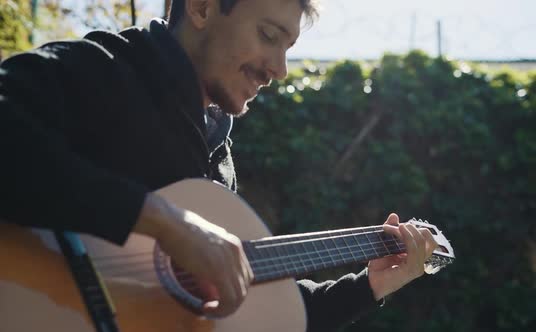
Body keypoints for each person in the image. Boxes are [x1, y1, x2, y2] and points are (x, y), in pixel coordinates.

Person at [0, 0, 438, 331]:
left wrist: (370, 286)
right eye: (269, 35)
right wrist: (165, 222)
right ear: (203, 6)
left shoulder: (217, 156)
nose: (281, 70)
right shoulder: (103, 72)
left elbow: (250, 313)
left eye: (289, 48)